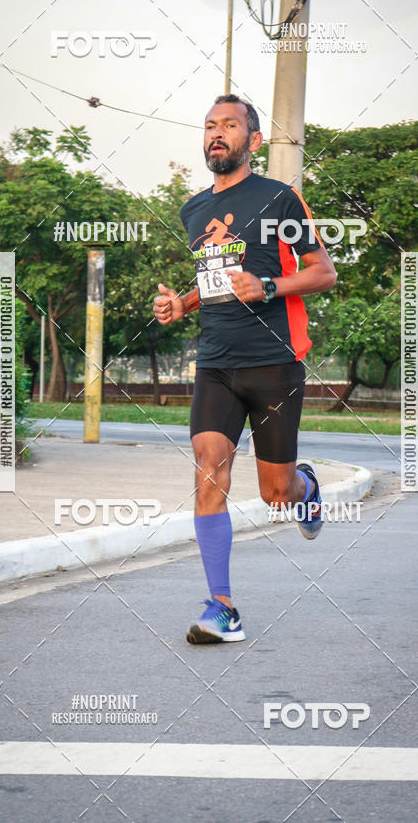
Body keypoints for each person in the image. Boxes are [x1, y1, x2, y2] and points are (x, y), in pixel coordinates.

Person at [153, 94, 337, 645]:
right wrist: (181, 303)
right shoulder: (192, 210)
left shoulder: (280, 199)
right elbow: (214, 280)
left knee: (276, 493)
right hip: (215, 363)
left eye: (230, 125)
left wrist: (270, 286)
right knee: (208, 470)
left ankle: (305, 486)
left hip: (274, 362)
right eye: (210, 125)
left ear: (253, 141)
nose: (217, 133)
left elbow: (323, 272)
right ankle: (223, 607)